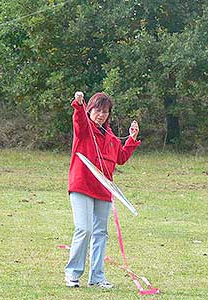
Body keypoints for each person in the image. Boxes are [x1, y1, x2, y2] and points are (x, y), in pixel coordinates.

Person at [64, 91, 141, 288]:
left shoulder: (111, 137)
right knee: (84, 228)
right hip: (81, 186)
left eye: (105, 111)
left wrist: (131, 139)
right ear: (90, 110)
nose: (101, 115)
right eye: (98, 110)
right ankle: (72, 274)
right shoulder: (84, 129)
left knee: (100, 233)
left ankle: (97, 278)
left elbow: (121, 158)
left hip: (104, 191)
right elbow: (79, 119)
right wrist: (78, 104)